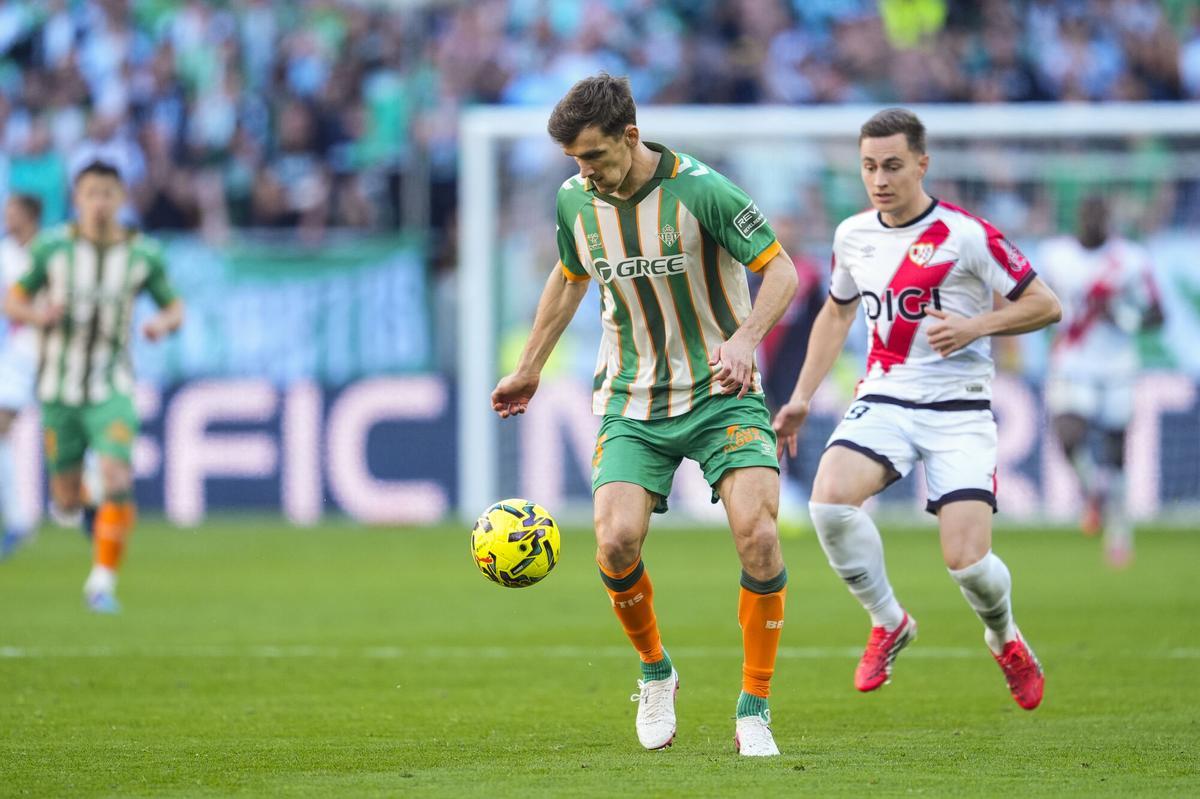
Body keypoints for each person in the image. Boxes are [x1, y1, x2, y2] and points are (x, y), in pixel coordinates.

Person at [491, 74, 799, 756]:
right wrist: (532, 364)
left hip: (723, 392)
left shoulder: (705, 190)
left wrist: (745, 339)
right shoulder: (575, 200)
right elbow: (570, 275)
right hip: (634, 399)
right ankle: (656, 670)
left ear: (631, 136)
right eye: (576, 160)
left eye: (596, 156)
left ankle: (755, 705)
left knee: (759, 534)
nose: (586, 172)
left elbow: (781, 272)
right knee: (615, 541)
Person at [772, 108, 1061, 711]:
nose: (880, 179)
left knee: (968, 565)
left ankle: (1005, 638)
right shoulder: (852, 235)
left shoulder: (968, 235)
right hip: (884, 397)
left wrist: (975, 324)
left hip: (960, 410)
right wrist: (800, 397)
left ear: (922, 164)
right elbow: (837, 312)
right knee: (828, 502)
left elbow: (1045, 304)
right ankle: (889, 621)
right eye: (869, 166)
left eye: (893, 166)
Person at [3, 161, 185, 612]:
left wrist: (162, 324)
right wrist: (36, 316)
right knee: (64, 501)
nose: (99, 202)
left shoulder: (143, 254)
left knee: (117, 476)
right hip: (59, 390)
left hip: (112, 386)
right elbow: (14, 299)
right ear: (77, 199)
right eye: (90, 193)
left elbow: (175, 306)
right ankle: (83, 499)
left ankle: (101, 583)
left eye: (107, 193)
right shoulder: (52, 249)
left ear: (120, 198)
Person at [1039, 195, 1163, 568]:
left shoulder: (1130, 260)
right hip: (1072, 362)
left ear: (1108, 220)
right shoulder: (1055, 256)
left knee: (1115, 449)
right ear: (1077, 218)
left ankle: (1119, 532)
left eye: (1099, 215)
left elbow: (1158, 316)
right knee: (1068, 434)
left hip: (1117, 367)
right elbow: (1039, 302)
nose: (1092, 221)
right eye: (1087, 214)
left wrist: (1123, 317)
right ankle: (1093, 492)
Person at [0, 195, 42, 558]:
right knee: (1, 427)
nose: (6, 218)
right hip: (20, 352)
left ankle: (94, 505)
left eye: (12, 213)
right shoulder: (3, 254)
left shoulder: (53, 251)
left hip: (59, 352)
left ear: (31, 216)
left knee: (77, 426)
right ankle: (18, 519)